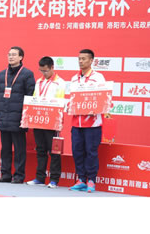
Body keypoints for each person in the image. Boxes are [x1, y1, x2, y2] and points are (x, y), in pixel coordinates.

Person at [0, 46, 35, 184]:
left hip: (18, 118)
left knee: (19, 149)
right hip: (4, 117)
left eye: (14, 55)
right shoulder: (2, 74)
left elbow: (30, 96)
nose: (11, 57)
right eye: (9, 54)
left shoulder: (27, 74)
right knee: (5, 148)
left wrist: (25, 116)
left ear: (21, 57)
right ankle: (5, 174)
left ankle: (18, 175)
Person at [69, 49, 106, 193]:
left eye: (84, 58)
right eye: (79, 58)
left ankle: (91, 180)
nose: (81, 61)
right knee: (77, 151)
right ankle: (81, 179)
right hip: (76, 122)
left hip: (92, 123)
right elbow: (72, 99)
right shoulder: (74, 78)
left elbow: (103, 98)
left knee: (91, 152)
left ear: (91, 61)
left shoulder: (98, 78)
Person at [26, 57, 65, 188]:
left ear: (52, 67)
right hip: (39, 120)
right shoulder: (39, 82)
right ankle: (40, 178)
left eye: (46, 71)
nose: (43, 73)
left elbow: (59, 102)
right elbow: (34, 99)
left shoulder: (60, 83)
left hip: (52, 121)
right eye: (41, 71)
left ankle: (54, 179)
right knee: (40, 150)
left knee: (54, 151)